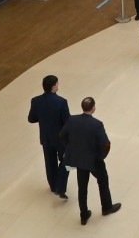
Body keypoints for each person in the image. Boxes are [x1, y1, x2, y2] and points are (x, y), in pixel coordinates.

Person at [59, 97, 121, 225]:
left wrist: (71, 148)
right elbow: (106, 144)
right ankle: (106, 207)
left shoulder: (72, 120)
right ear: (93, 107)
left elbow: (61, 136)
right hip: (94, 160)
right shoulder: (97, 124)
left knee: (82, 187)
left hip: (80, 160)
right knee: (102, 181)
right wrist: (101, 156)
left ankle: (84, 214)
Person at [27, 75, 70, 199]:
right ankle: (61, 187)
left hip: (46, 138)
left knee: (50, 163)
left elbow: (31, 119)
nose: (58, 86)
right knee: (67, 161)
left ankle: (53, 186)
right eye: (57, 84)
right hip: (60, 139)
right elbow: (67, 122)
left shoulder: (35, 101)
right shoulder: (62, 102)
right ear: (53, 87)